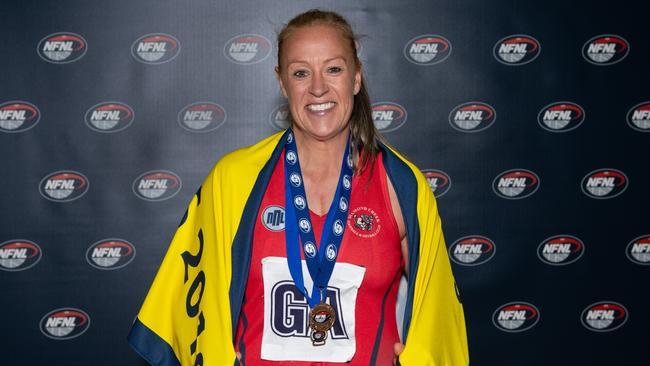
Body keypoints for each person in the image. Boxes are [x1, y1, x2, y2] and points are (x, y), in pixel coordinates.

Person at [128, 9, 469, 366]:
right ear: (282, 83)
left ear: (356, 78)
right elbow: (182, 314)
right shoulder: (233, 180)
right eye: (301, 72)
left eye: (334, 69)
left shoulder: (401, 185)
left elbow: (438, 323)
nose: (318, 87)